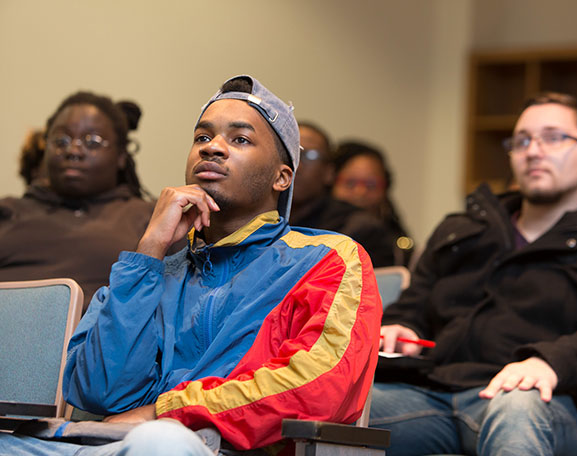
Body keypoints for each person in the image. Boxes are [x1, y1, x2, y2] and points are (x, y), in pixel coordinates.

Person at [0, 75, 381, 455]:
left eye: (240, 139)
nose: (212, 148)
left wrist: (165, 412)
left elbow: (317, 387)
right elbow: (102, 392)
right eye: (202, 137)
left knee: (161, 443)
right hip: (110, 446)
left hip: (210, 447)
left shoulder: (326, 260)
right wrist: (150, 250)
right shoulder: (157, 269)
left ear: (282, 177)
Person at [371, 92, 577, 456]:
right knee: (334, 408)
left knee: (518, 406)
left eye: (553, 137)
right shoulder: (462, 230)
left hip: (541, 401)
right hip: (431, 394)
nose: (533, 150)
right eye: (522, 140)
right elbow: (413, 306)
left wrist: (549, 362)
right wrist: (402, 327)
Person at [0, 92, 154, 305]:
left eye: (92, 142)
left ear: (121, 156)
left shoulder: (150, 218)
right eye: (61, 140)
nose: (73, 150)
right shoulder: (7, 211)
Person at [290, 122, 396, 267]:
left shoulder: (359, 229)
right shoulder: (260, 219)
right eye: (288, 151)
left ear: (329, 172)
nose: (296, 164)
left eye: (310, 155)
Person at [332, 141, 414, 266]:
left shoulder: (396, 239)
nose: (360, 192)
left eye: (371, 184)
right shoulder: (313, 232)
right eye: (350, 183)